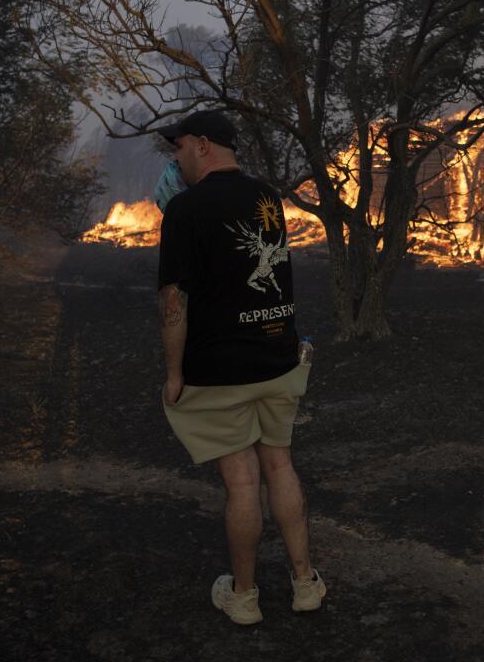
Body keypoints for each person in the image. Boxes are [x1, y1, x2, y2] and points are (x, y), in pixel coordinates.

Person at [155, 109, 325, 626]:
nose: (176, 156)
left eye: (179, 146)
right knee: (281, 467)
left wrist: (174, 372)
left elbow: (173, 300)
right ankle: (305, 584)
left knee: (244, 485)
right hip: (277, 355)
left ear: (203, 144)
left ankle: (245, 596)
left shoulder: (184, 210)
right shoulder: (267, 196)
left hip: (220, 369)